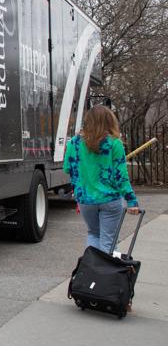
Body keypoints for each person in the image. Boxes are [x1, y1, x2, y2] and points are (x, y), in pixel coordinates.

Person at [63, 105, 140, 254]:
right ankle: (109, 269)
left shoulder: (74, 143)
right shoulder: (114, 143)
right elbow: (121, 177)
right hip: (110, 199)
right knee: (109, 241)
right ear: (109, 121)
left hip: (85, 199)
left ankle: (92, 267)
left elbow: (67, 168)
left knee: (93, 234)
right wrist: (131, 201)